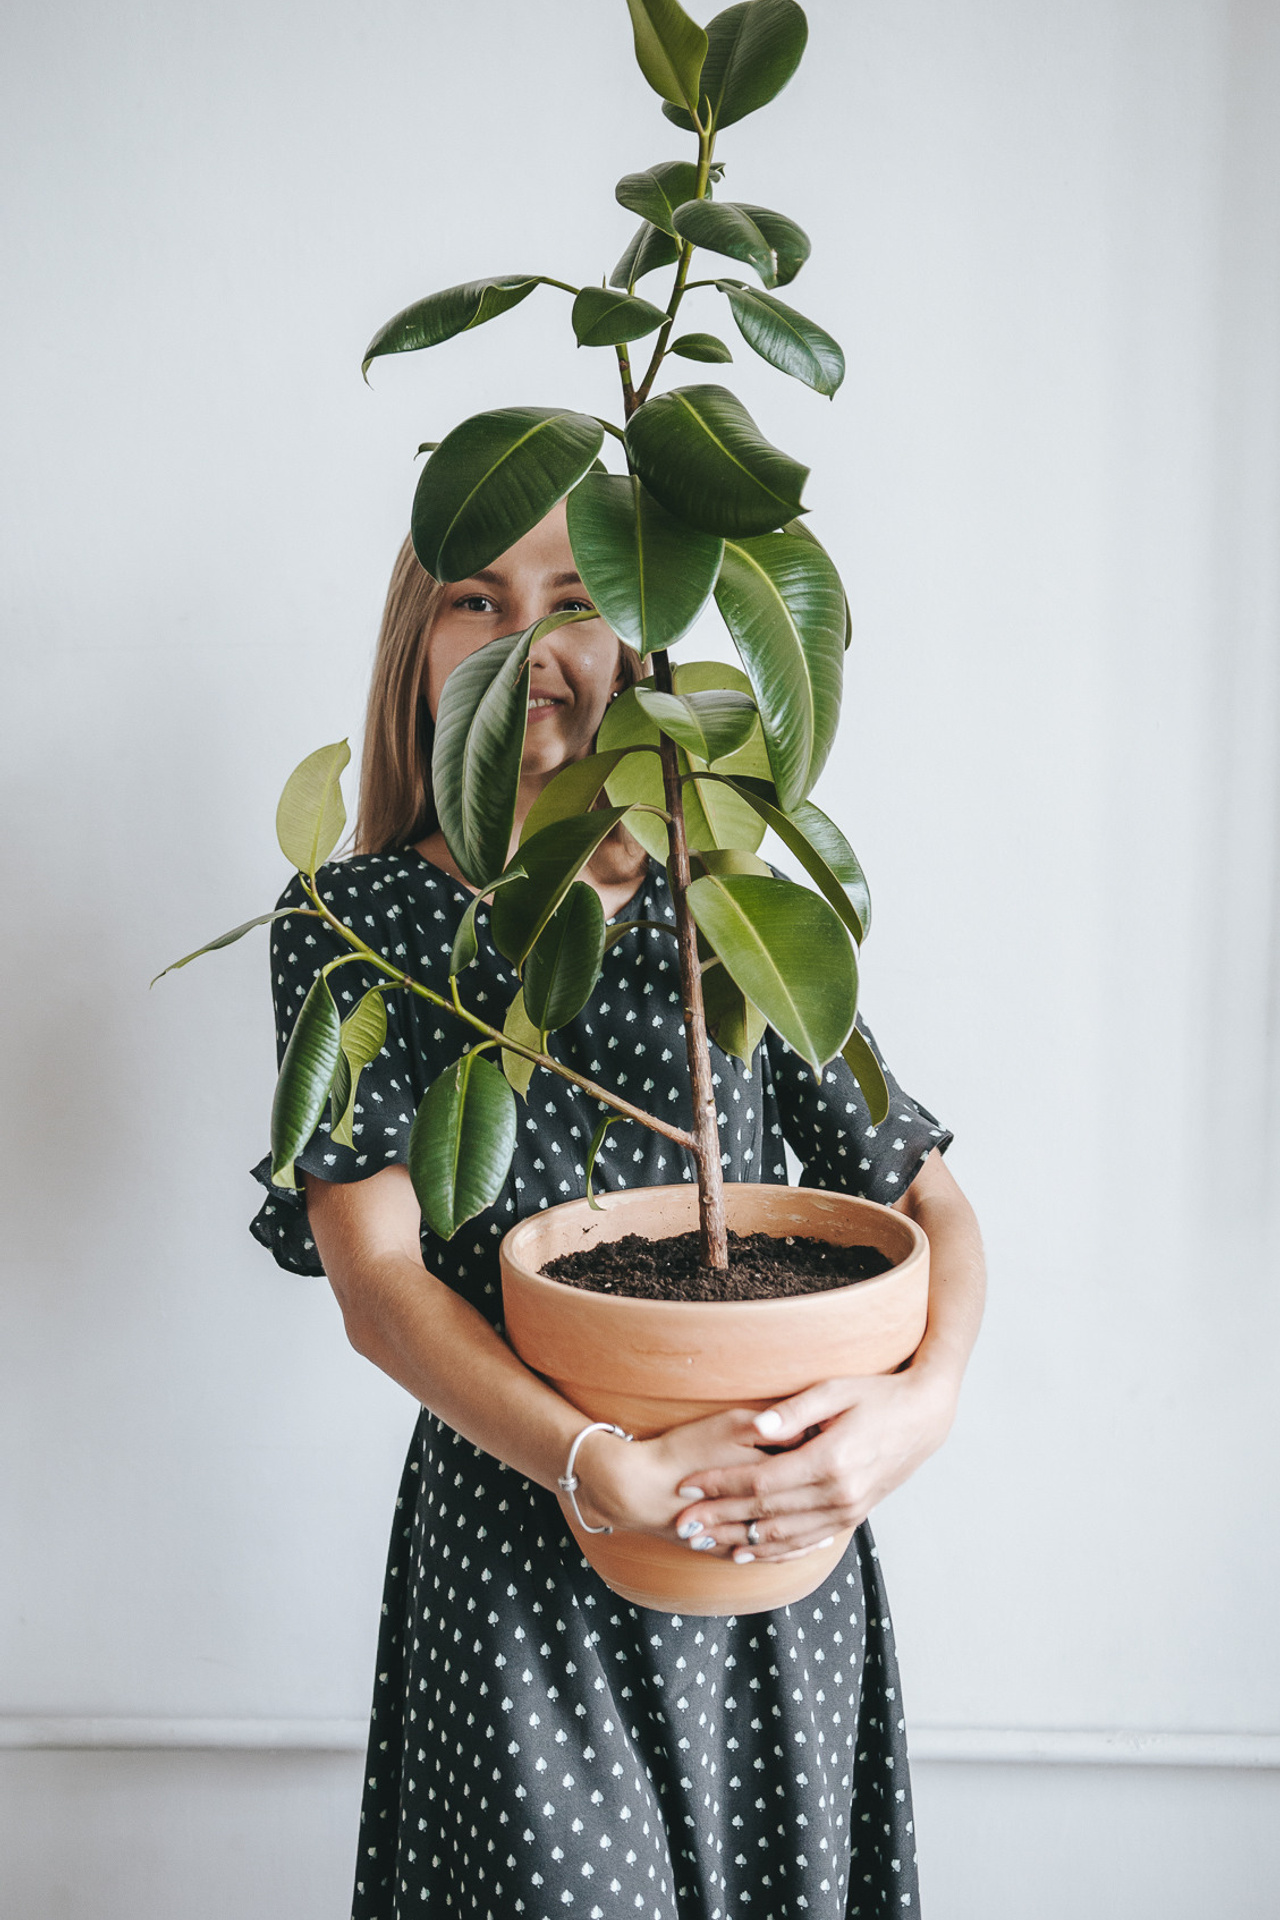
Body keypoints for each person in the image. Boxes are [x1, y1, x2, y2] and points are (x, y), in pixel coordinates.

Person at [251, 503, 986, 1920]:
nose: (526, 638)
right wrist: (602, 1465)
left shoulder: (728, 912)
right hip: (527, 1542)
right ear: (418, 651)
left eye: (573, 596)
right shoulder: (358, 925)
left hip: (777, 1544)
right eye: (476, 598)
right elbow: (379, 1284)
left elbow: (931, 1202)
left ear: (640, 642)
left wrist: (920, 1409)